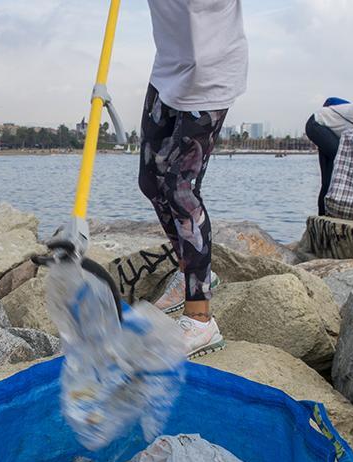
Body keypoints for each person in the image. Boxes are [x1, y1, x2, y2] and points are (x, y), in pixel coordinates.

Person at [139, 0, 247, 358]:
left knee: (179, 188)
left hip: (212, 74)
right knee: (151, 182)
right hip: (168, 70)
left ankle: (201, 319)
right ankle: (196, 273)